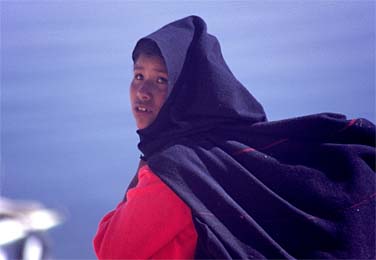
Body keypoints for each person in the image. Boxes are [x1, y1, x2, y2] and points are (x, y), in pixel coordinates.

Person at [94, 16, 375, 259]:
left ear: (186, 90)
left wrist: (148, 167)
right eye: (139, 75)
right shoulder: (224, 147)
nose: (142, 91)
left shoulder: (174, 169)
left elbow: (111, 250)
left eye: (161, 80)